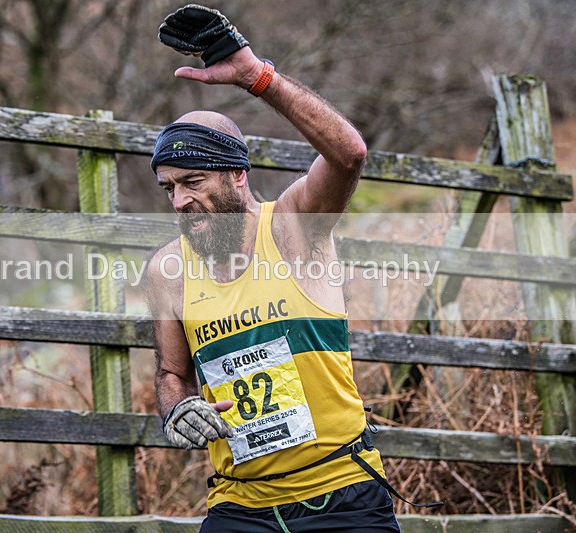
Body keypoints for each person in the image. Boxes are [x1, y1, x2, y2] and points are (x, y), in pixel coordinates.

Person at [144, 5, 405, 532]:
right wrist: (175, 409)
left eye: (193, 182)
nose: (179, 201)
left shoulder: (293, 229)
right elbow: (172, 375)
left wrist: (257, 77)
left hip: (340, 493)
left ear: (238, 175)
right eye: (169, 188)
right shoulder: (167, 269)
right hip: (240, 505)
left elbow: (349, 155)